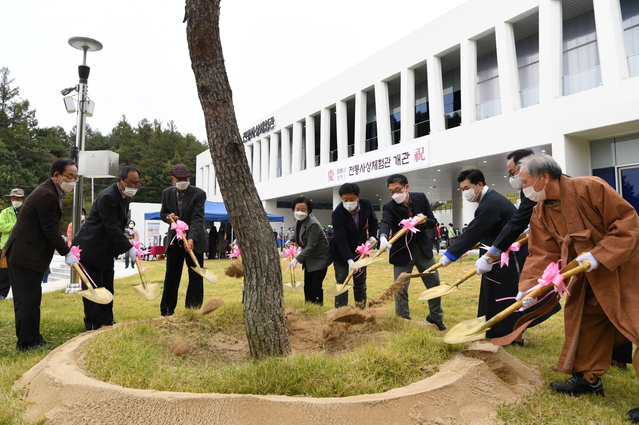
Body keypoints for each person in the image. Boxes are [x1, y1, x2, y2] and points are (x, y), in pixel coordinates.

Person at [516, 154, 639, 422]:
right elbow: (541, 254)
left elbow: (628, 223)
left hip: (625, 267)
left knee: (637, 321)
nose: (521, 187)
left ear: (544, 178)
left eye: (524, 181)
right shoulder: (540, 211)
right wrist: (528, 289)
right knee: (583, 322)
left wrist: (600, 254)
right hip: (587, 276)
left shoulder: (591, 187)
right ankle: (587, 380)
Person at [438, 169, 525, 341]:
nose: (465, 193)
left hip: (505, 258)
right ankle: (496, 331)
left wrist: (450, 254)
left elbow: (474, 231)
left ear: (479, 185)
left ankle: (511, 335)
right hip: (495, 257)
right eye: (462, 189)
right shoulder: (489, 201)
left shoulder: (490, 204)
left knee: (504, 295)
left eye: (467, 188)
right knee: (492, 293)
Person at [4, 158, 79, 350]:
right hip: (24, 254)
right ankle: (26, 343)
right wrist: (66, 252)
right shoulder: (47, 194)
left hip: (31, 254)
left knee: (33, 298)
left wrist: (62, 241)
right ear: (56, 175)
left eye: (76, 177)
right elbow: (49, 229)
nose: (73, 181)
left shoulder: (53, 191)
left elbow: (48, 226)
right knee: (26, 300)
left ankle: (34, 336)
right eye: (69, 176)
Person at [73, 166, 140, 331]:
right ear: (120, 181)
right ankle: (93, 324)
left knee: (108, 287)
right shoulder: (108, 197)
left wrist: (125, 230)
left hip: (106, 251)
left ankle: (107, 321)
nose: (134, 187)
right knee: (94, 288)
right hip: (90, 248)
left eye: (137, 183)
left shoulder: (125, 196)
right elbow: (111, 226)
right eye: (131, 183)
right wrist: (128, 248)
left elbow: (119, 222)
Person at [378, 174, 445, 330]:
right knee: (400, 288)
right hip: (401, 252)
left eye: (398, 190)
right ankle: (403, 319)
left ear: (407, 187)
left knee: (434, 284)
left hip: (423, 250)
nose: (395, 194)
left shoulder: (420, 198)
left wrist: (420, 221)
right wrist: (383, 237)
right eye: (391, 191)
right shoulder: (389, 206)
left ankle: (435, 318)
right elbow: (386, 222)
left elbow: (432, 221)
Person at [160, 163, 207, 317]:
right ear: (172, 179)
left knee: (196, 274)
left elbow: (197, 218)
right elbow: (163, 213)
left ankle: (193, 310)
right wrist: (169, 218)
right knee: (172, 275)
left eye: (185, 179)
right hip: (175, 240)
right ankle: (167, 310)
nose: (183, 181)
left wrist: (192, 237)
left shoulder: (198, 194)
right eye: (179, 179)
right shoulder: (167, 193)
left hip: (194, 239)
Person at [331, 183, 378, 308]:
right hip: (341, 252)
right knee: (342, 282)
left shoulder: (366, 204)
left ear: (358, 197)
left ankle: (360, 309)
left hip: (360, 250)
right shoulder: (338, 213)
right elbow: (341, 239)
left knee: (360, 282)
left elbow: (373, 220)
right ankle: (341, 310)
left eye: (352, 199)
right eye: (345, 200)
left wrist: (373, 236)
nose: (348, 202)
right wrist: (349, 260)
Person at [288, 196, 331, 305]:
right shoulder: (299, 220)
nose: (299, 212)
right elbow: (298, 233)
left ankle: (317, 305)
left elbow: (311, 245)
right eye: (297, 209)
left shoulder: (313, 224)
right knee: (307, 284)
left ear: (308, 210)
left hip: (320, 258)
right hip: (309, 258)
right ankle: (308, 304)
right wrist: (290, 240)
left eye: (303, 210)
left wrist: (297, 259)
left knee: (315, 284)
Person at [0, 188, 25, 299]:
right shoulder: (5, 212)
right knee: (4, 272)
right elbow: (1, 226)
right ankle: (1, 294)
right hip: (6, 246)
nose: (15, 200)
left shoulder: (27, 211)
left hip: (23, 246)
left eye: (18, 198)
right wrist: (16, 226)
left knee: (21, 272)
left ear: (23, 199)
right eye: (13, 198)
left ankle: (20, 295)